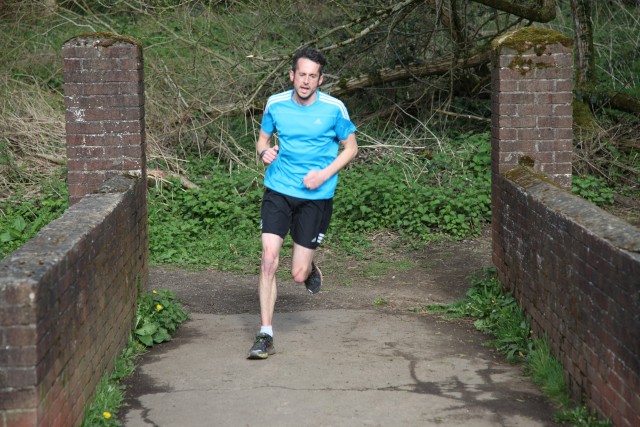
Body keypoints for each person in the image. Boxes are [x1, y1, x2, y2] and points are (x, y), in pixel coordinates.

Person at [248, 47, 358, 359]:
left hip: (315, 198)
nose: (306, 81)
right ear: (292, 75)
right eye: (301, 74)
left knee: (297, 273)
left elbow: (351, 148)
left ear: (320, 79)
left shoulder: (334, 109)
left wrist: (324, 174)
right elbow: (262, 140)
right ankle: (265, 335)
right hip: (279, 190)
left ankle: (308, 270)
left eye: (312, 76)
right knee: (269, 260)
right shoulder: (276, 103)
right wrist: (264, 152)